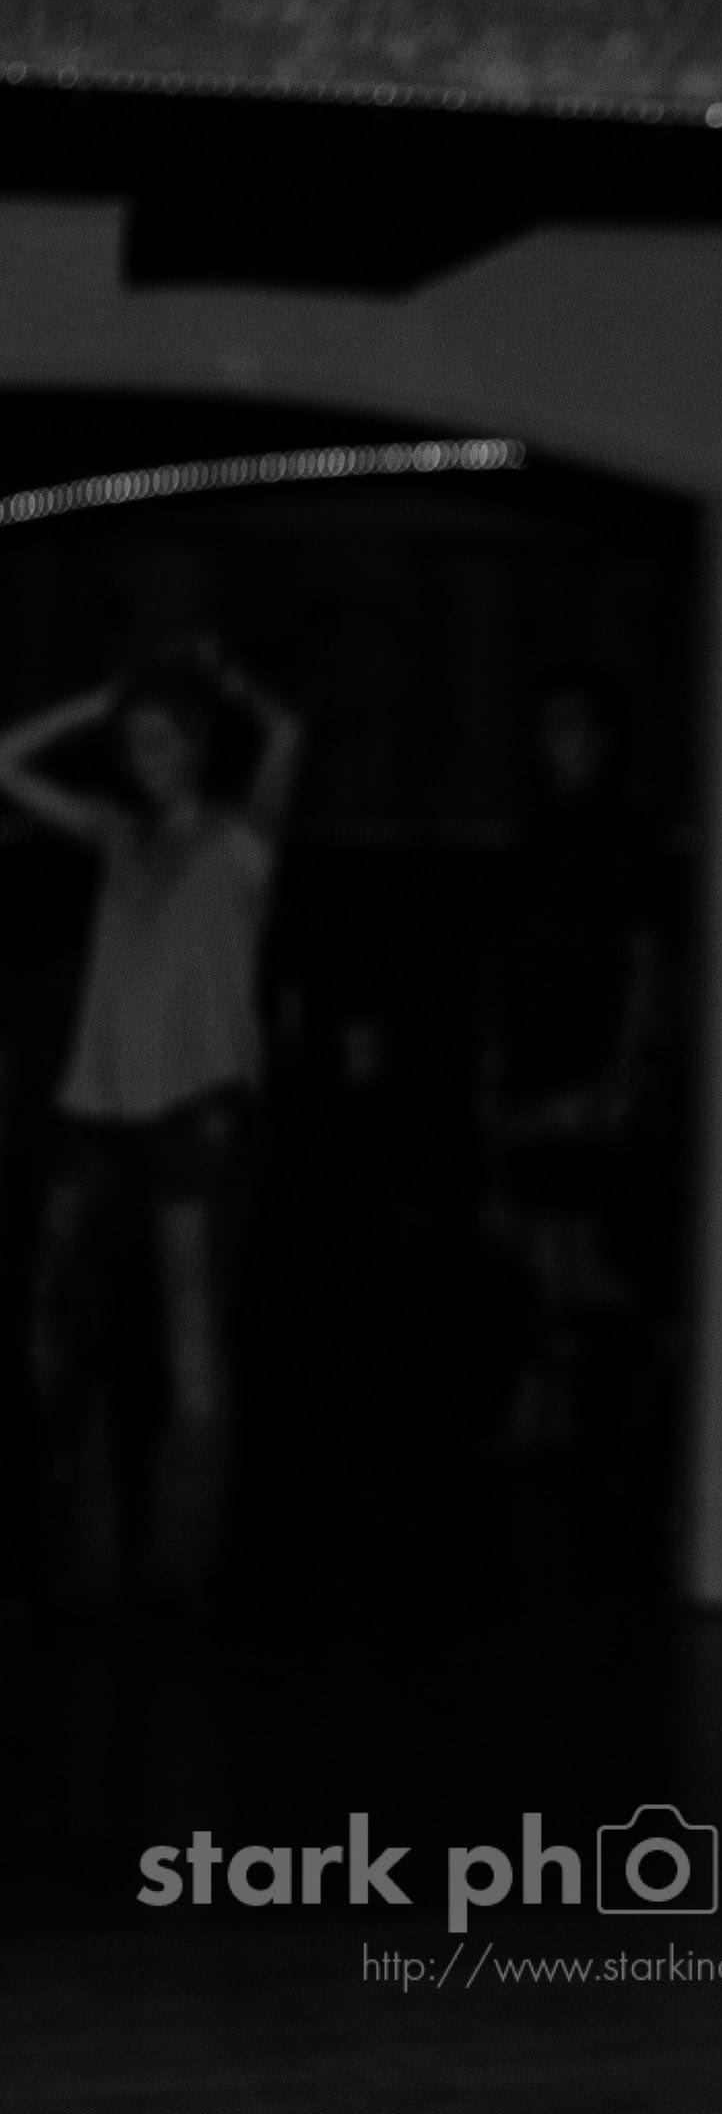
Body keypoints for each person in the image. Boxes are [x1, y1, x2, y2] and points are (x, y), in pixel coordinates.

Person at [0, 632, 302, 1612]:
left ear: (198, 746)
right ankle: (84, 1552)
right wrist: (99, 700)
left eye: (164, 739)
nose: (147, 757)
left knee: (190, 1341)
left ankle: (177, 1570)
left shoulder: (240, 833)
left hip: (195, 1107)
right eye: (135, 743)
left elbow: (287, 735)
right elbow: (4, 762)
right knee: (57, 1326)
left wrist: (225, 679)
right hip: (97, 1105)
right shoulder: (118, 833)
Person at [481, 680, 663, 1455]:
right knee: (533, 1233)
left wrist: (625, 1064)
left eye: (574, 725)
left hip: (590, 1056)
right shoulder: (532, 832)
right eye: (549, 724)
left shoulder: (625, 833)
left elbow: (644, 954)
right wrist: (493, 1063)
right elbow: (504, 956)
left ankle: (592, 1401)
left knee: (577, 1241)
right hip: (533, 1054)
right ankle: (548, 1396)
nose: (560, 741)